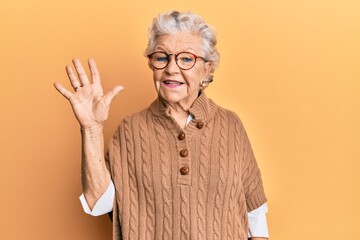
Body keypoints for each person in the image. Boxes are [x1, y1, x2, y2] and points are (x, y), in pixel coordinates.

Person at [54, 10, 269, 240]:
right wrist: (91, 129)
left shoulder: (231, 125)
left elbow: (255, 218)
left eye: (186, 58)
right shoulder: (130, 130)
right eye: (161, 57)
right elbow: (98, 202)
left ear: (207, 69)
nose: (171, 68)